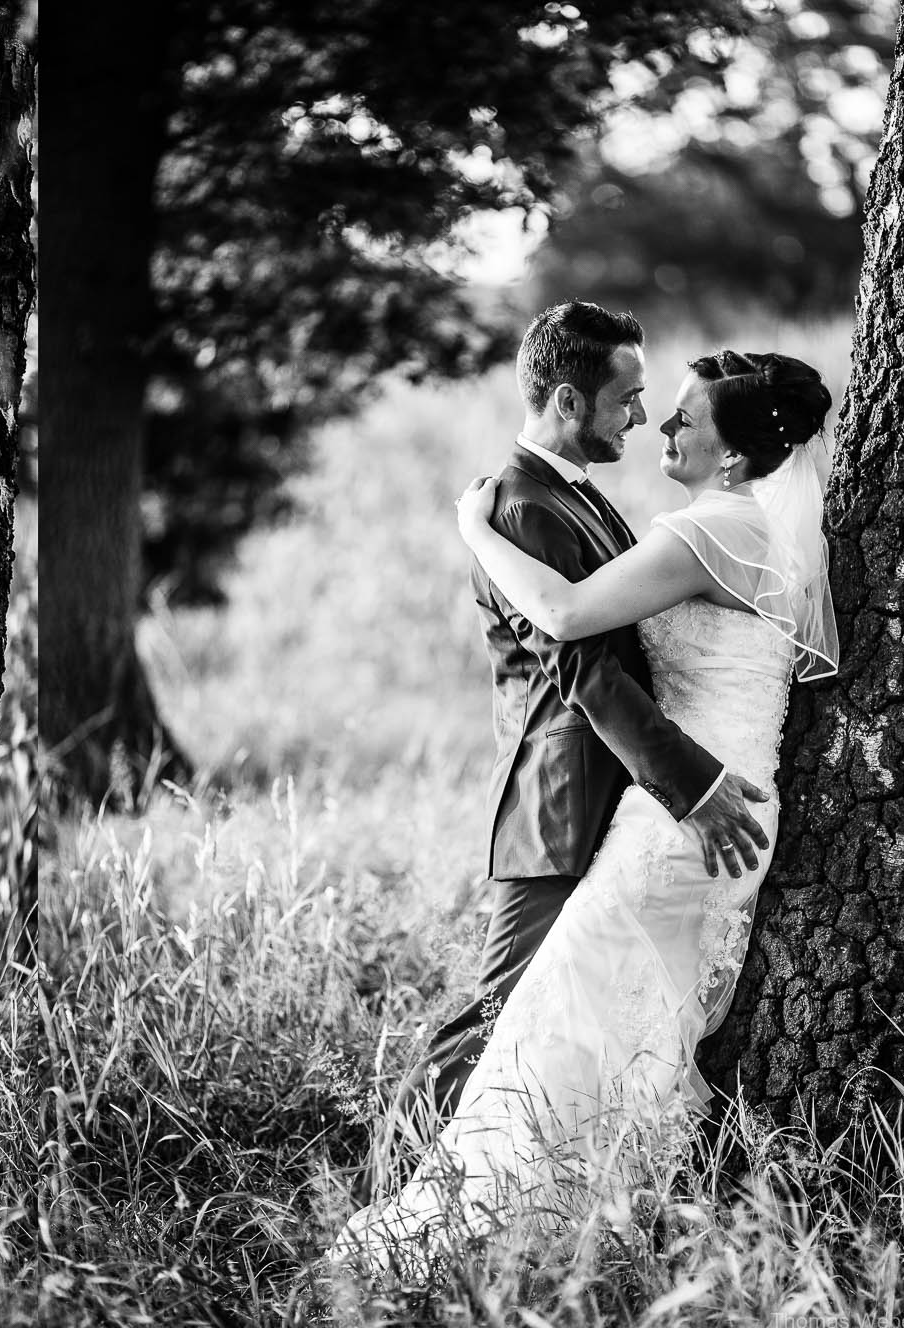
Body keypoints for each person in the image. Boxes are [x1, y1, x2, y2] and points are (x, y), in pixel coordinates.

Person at [336, 349, 838, 1276]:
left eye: (684, 414)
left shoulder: (707, 532)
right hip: (725, 797)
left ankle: (464, 1223)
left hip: (682, 816)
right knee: (630, 1024)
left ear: (733, 456)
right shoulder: (764, 533)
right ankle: (592, 1220)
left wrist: (474, 533)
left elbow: (566, 619)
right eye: (649, 404)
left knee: (546, 1014)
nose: (663, 425)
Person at [402, 303, 775, 1135]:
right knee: (499, 1017)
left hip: (614, 797)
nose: (641, 418)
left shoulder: (580, 498)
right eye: (627, 399)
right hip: (560, 805)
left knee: (563, 1019)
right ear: (569, 402)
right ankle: (395, 1179)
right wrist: (692, 784)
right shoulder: (522, 508)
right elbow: (584, 667)